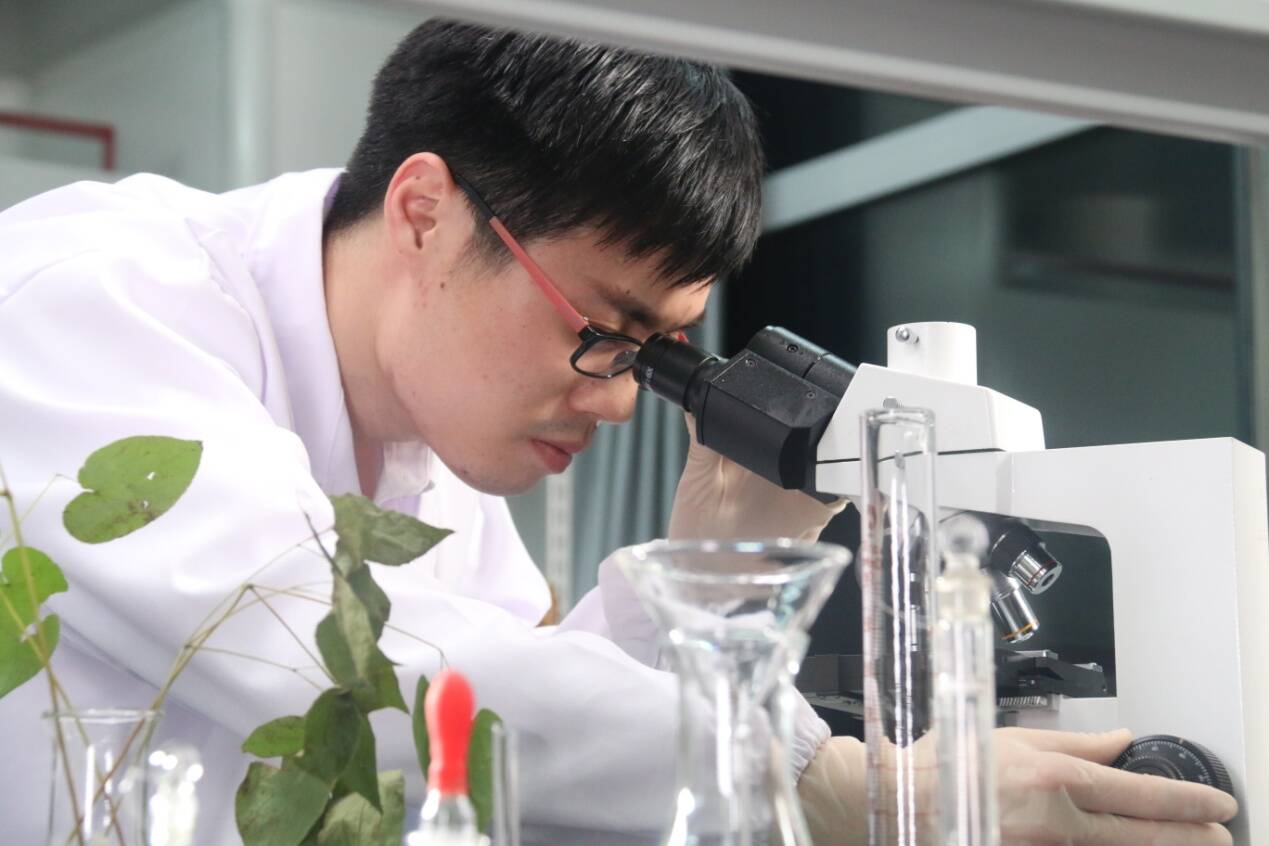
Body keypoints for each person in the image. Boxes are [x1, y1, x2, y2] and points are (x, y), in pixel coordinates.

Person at [0, 18, 1237, 846]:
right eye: (603, 329)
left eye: (654, 355)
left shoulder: (435, 457)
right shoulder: (94, 298)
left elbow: (521, 777)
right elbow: (353, 666)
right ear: (426, 212)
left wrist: (705, 575)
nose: (614, 397)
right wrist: (837, 787)